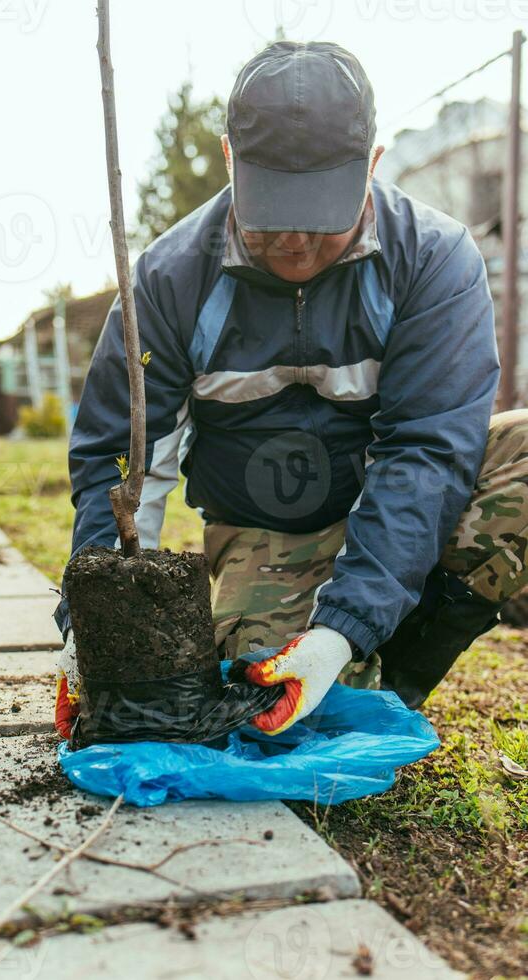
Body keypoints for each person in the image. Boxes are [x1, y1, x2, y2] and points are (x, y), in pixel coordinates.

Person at [54, 40, 528, 741]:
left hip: (386, 503)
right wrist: (91, 628)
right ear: (228, 161)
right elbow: (119, 464)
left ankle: (386, 667)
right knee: (255, 701)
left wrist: (343, 628)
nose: (296, 244)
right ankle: (340, 667)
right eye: (273, 212)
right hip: (265, 532)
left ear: (371, 164)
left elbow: (425, 454)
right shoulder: (168, 281)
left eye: (320, 217)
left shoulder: (431, 261)